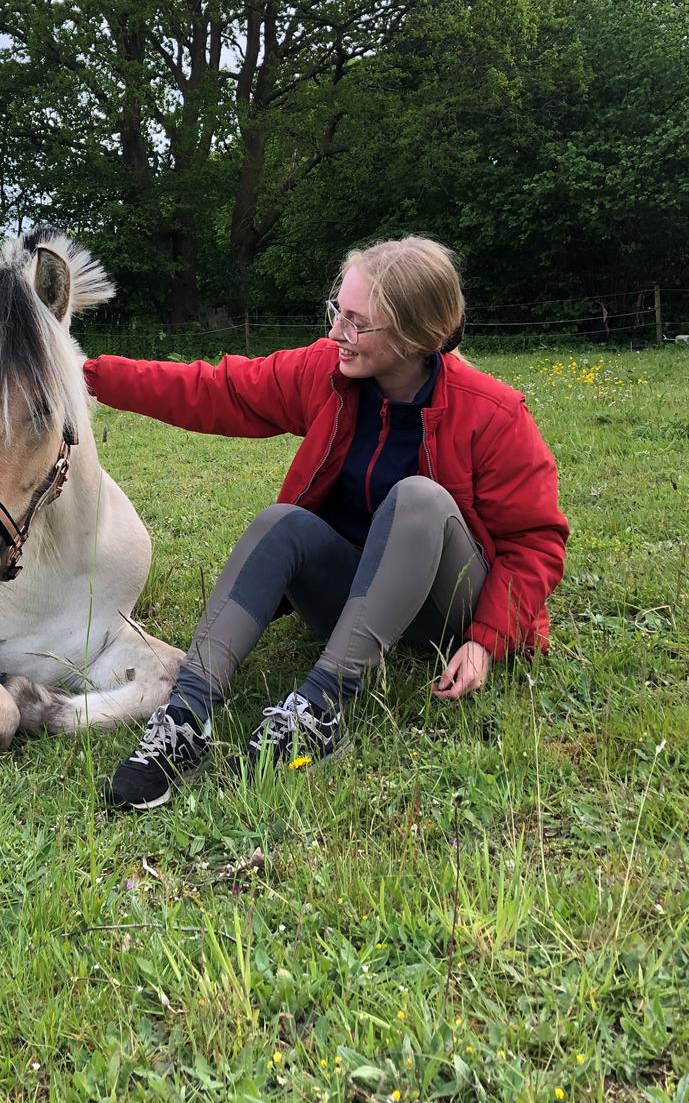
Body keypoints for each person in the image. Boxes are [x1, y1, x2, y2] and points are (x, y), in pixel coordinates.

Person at [84, 236, 569, 811]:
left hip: (446, 612)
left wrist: (487, 641)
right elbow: (217, 390)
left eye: (358, 323)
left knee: (417, 498)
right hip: (354, 600)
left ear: (415, 335)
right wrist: (83, 374)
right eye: (336, 310)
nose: (338, 332)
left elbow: (536, 542)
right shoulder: (328, 372)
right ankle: (185, 716)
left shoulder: (492, 412)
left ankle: (321, 708)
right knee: (281, 521)